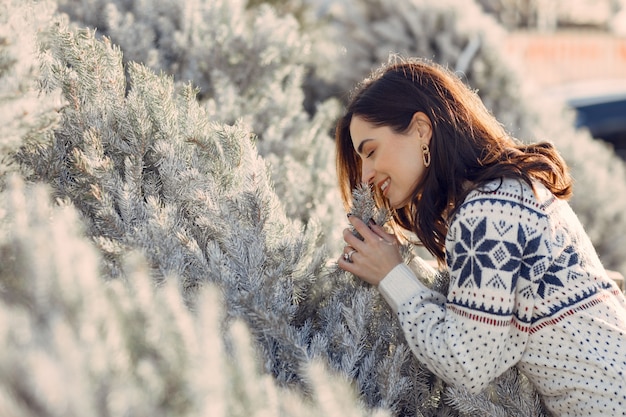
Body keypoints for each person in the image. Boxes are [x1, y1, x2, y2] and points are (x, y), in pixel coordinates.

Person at [335, 56, 626, 416]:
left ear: (421, 130)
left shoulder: (486, 213)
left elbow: (468, 363)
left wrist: (392, 277)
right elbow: (493, 332)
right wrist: (405, 267)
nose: (365, 176)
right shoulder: (506, 193)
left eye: (371, 151)